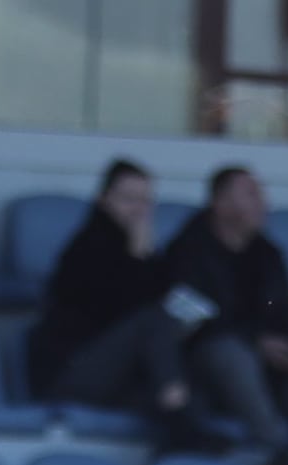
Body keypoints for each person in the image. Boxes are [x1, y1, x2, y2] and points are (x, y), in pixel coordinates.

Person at [164, 167, 288, 462]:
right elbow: (192, 322)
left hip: (274, 373)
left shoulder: (269, 253)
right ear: (220, 203)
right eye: (252, 195)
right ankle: (278, 445)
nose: (263, 204)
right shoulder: (186, 250)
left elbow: (286, 312)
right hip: (212, 376)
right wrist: (257, 342)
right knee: (229, 352)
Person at [26, 158, 207, 441]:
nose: (138, 210)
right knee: (153, 321)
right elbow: (120, 309)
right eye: (128, 199)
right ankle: (178, 414)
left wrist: (145, 259)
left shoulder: (145, 249)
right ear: (103, 200)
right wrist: (136, 259)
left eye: (145, 201)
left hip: (117, 379)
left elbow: (163, 297)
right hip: (72, 372)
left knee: (190, 391)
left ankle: (182, 429)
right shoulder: (86, 247)